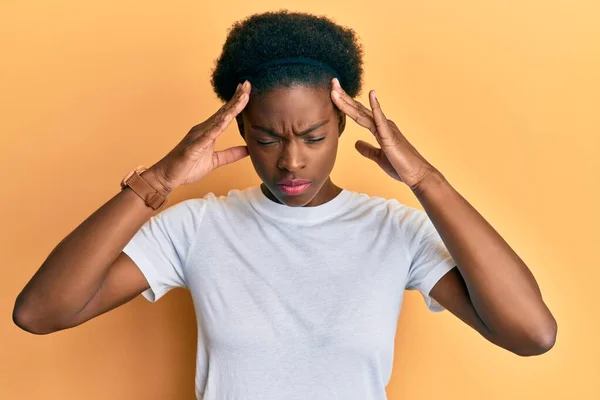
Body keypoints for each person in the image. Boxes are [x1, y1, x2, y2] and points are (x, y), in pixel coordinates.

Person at [13, 10, 557, 400]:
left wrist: (425, 179)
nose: (291, 161)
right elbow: (40, 313)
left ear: (343, 124)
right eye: (268, 139)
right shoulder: (198, 228)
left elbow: (531, 334)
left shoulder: (395, 231)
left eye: (314, 137)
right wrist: (158, 180)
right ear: (241, 131)